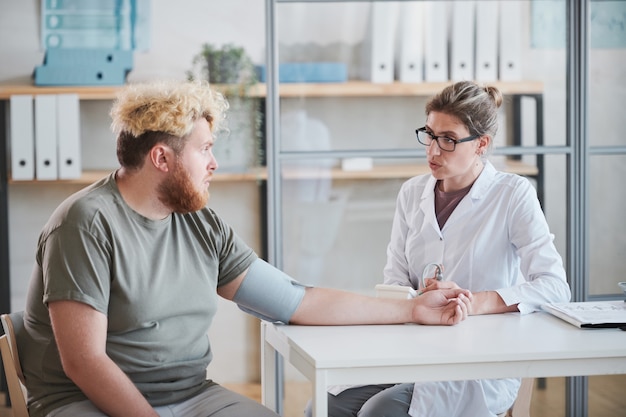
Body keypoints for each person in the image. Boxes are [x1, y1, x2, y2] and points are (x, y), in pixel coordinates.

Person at [19, 80, 473, 417]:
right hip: (86, 401)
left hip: (189, 395)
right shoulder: (85, 223)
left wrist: (413, 309)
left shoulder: (198, 221)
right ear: (162, 158)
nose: (214, 163)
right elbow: (84, 362)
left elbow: (298, 301)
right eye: (205, 149)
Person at [311, 81, 572, 417]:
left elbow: (554, 286)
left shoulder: (513, 194)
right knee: (323, 405)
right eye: (430, 135)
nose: (433, 151)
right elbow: (394, 282)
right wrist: (419, 301)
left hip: (481, 361)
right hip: (413, 348)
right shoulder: (411, 193)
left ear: (481, 144)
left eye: (448, 140)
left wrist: (472, 302)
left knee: (381, 412)